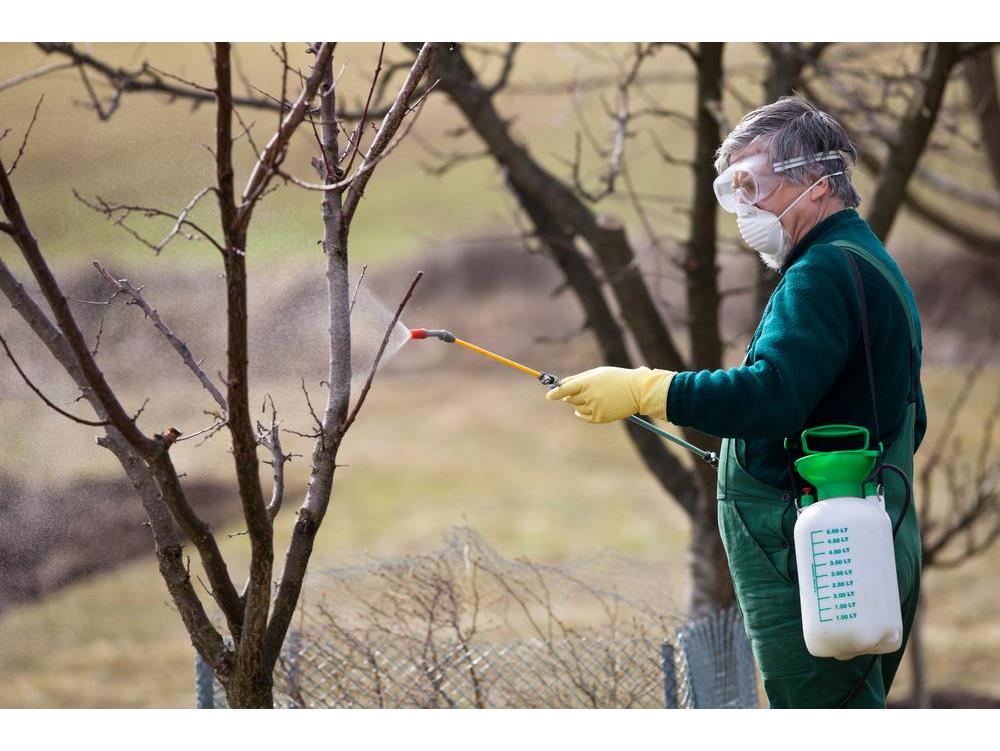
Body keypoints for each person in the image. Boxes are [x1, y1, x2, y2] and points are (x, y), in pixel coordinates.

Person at [546, 96, 926, 709]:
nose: (746, 208)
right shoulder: (862, 261)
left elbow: (770, 395)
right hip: (857, 540)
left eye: (756, 185)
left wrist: (650, 389)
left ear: (818, 181)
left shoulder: (822, 272)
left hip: (819, 555)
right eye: (734, 189)